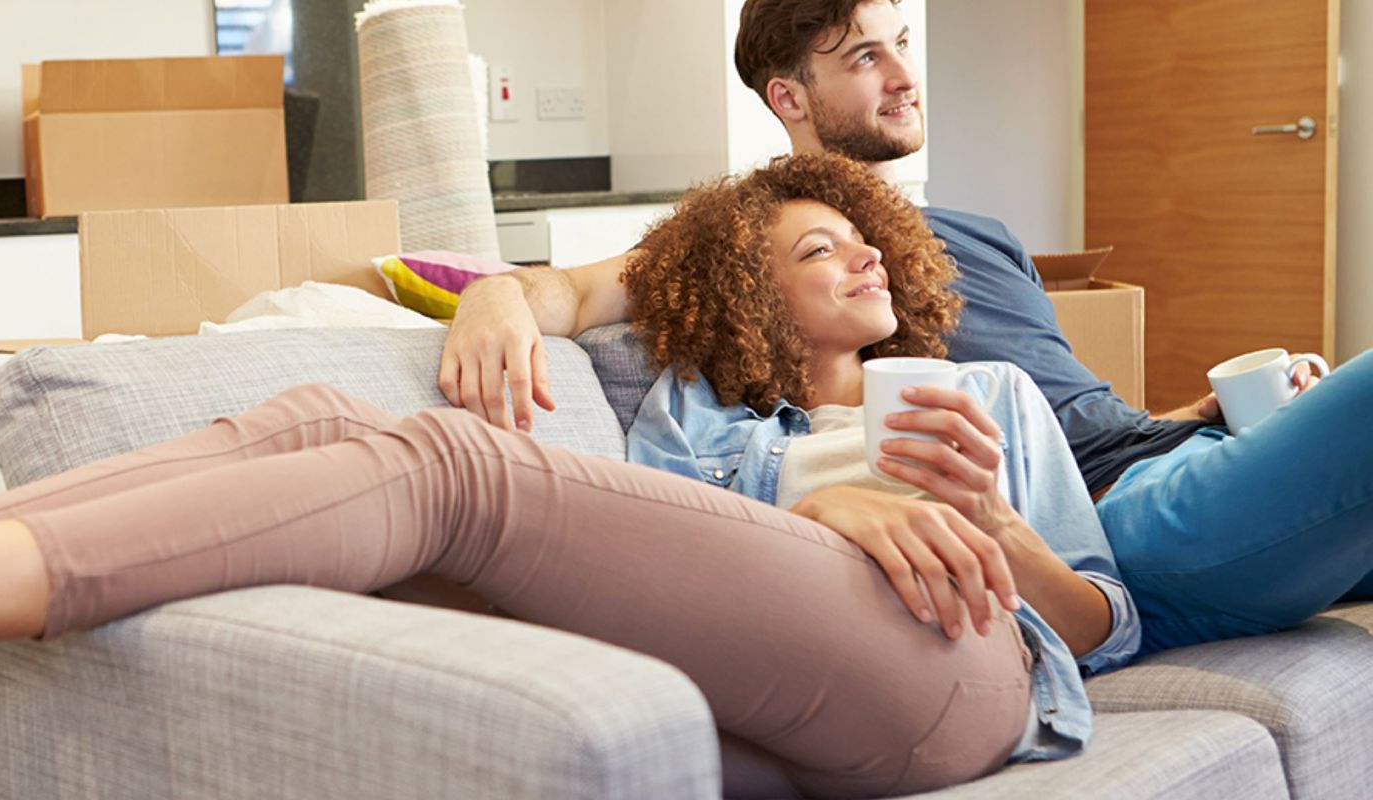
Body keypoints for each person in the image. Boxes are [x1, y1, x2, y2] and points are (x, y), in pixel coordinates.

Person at [0, 155, 1132, 799]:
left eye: (864, 243)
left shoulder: (980, 380)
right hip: (758, 653)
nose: (847, 261)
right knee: (303, 425)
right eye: (805, 244)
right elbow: (595, 337)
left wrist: (982, 524)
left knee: (452, 466)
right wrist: (517, 294)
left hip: (960, 667)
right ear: (736, 291)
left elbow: (1105, 622)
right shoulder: (696, 409)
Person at [440, 0, 1371, 652]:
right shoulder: (754, 249)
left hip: (1169, 459)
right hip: (1107, 527)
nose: (905, 75)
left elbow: (1078, 420)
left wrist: (1199, 415)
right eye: (865, 56)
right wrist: (492, 295)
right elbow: (565, 290)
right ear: (789, 97)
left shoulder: (977, 236)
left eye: (904, 43)